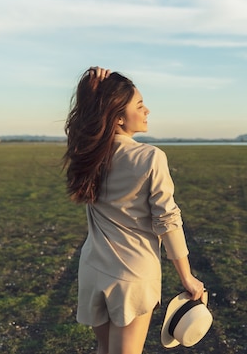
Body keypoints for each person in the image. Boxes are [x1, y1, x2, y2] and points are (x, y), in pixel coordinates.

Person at [62, 67, 204, 354]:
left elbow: (79, 128)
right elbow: (168, 221)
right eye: (139, 105)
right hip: (133, 274)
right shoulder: (150, 157)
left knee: (105, 350)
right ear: (118, 117)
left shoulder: (87, 155)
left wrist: (89, 92)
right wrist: (186, 277)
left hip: (93, 269)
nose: (147, 110)